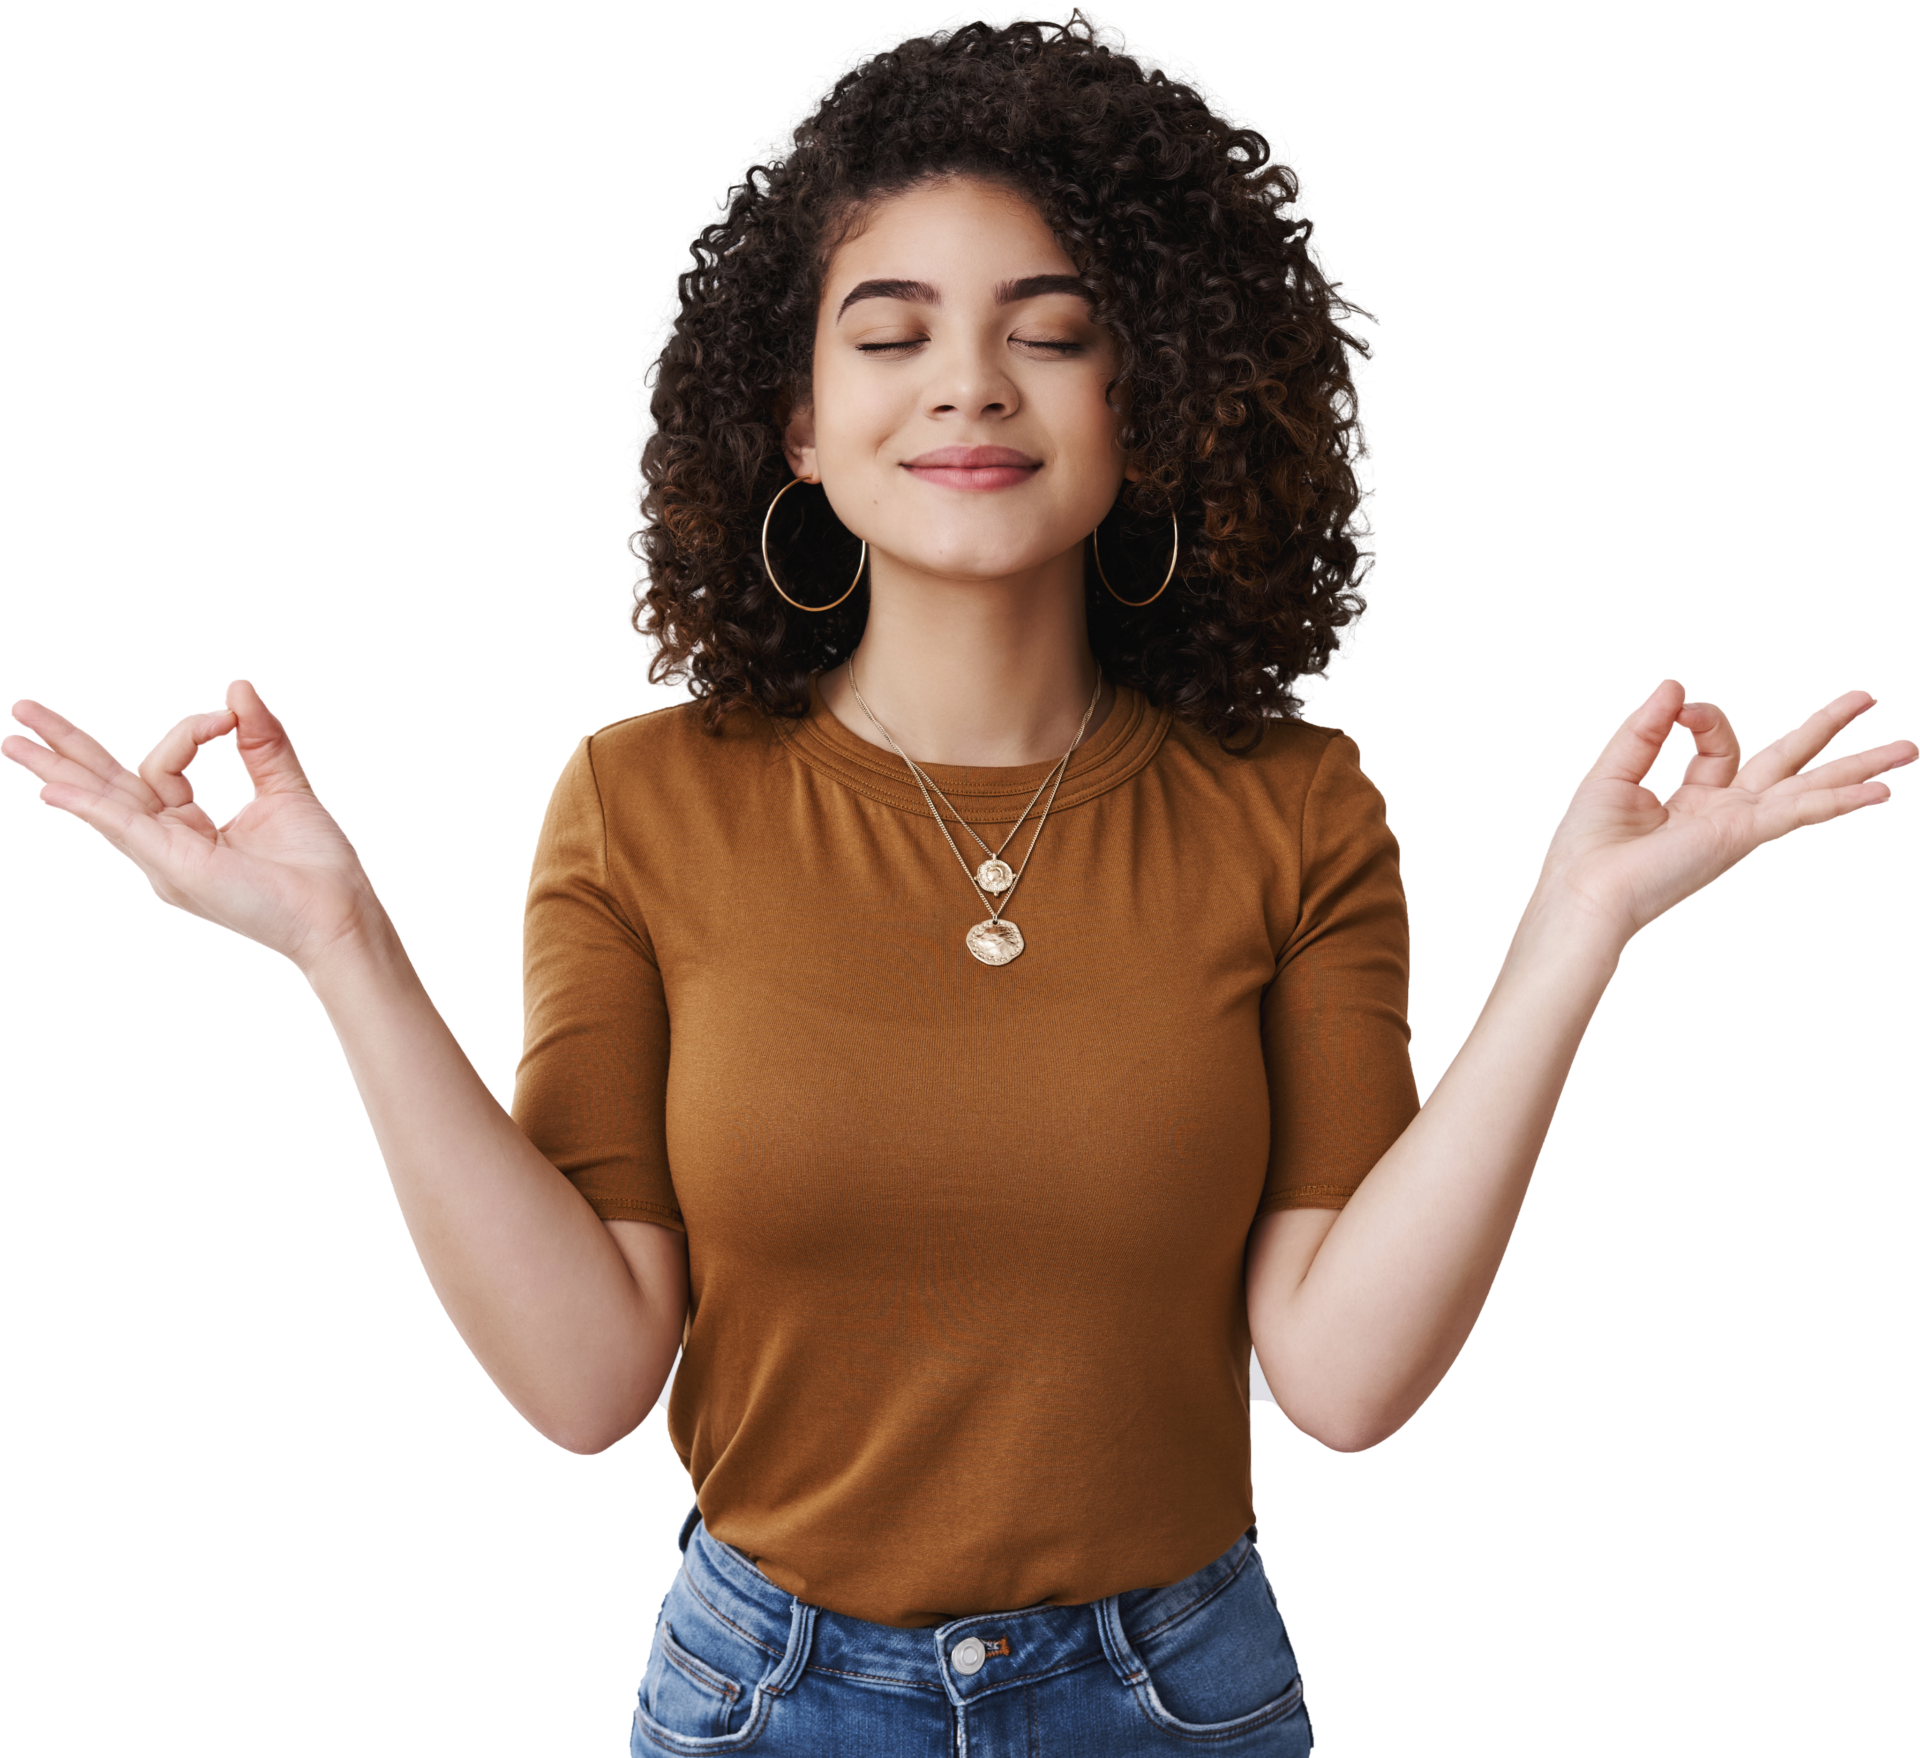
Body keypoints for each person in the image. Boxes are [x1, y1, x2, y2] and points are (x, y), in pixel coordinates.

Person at [5, 9, 1907, 1753]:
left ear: (1152, 397)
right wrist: (340, 943)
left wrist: (1575, 936)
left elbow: (1338, 1377)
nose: (971, 388)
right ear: (794, 421)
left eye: (1053, 331)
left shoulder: (1301, 810)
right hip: (766, 1698)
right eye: (891, 333)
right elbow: (592, 1377)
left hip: (1186, 1699)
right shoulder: (637, 803)